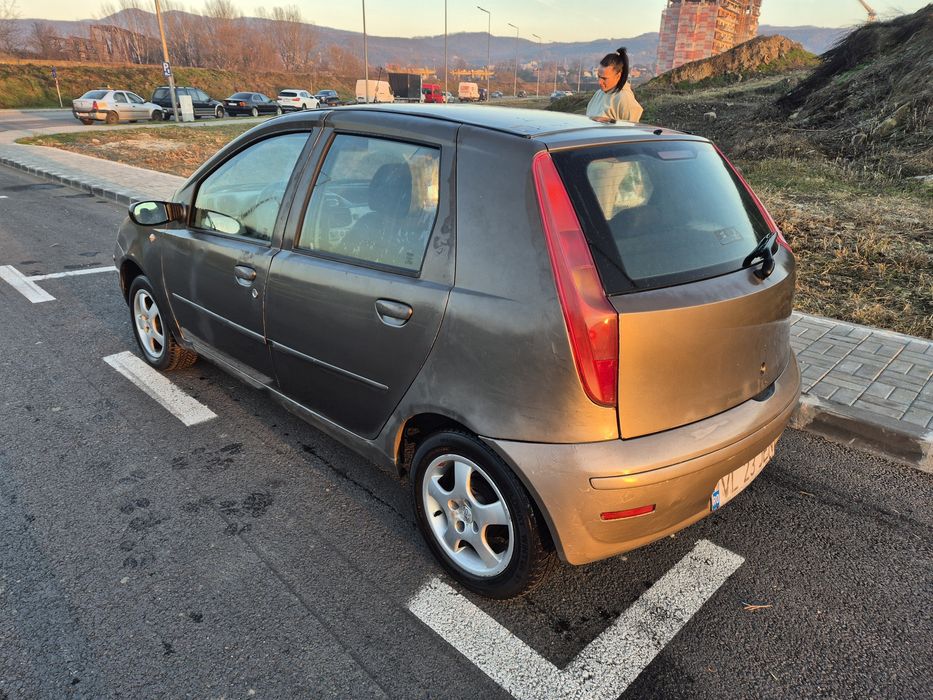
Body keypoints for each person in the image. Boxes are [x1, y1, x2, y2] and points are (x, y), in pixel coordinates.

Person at [586, 47, 643, 123]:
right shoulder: (598, 94)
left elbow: (630, 131)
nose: (599, 82)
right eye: (599, 76)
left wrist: (611, 121)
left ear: (618, 75)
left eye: (604, 78)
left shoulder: (625, 99)